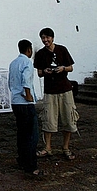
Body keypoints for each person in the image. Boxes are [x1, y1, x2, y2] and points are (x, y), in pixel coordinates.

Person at [33, 27, 78, 160]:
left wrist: (63, 68)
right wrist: (46, 71)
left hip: (65, 89)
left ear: (52, 38)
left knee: (69, 118)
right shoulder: (40, 54)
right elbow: (39, 73)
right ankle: (48, 147)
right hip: (50, 91)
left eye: (47, 37)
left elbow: (70, 67)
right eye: (43, 38)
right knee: (49, 120)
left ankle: (65, 147)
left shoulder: (62, 49)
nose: (45, 40)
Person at [8, 39, 40, 176]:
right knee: (32, 135)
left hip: (15, 101)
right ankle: (31, 165)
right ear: (29, 50)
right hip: (25, 102)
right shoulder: (27, 62)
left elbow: (10, 82)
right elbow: (26, 80)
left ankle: (22, 159)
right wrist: (28, 95)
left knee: (21, 133)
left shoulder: (13, 63)